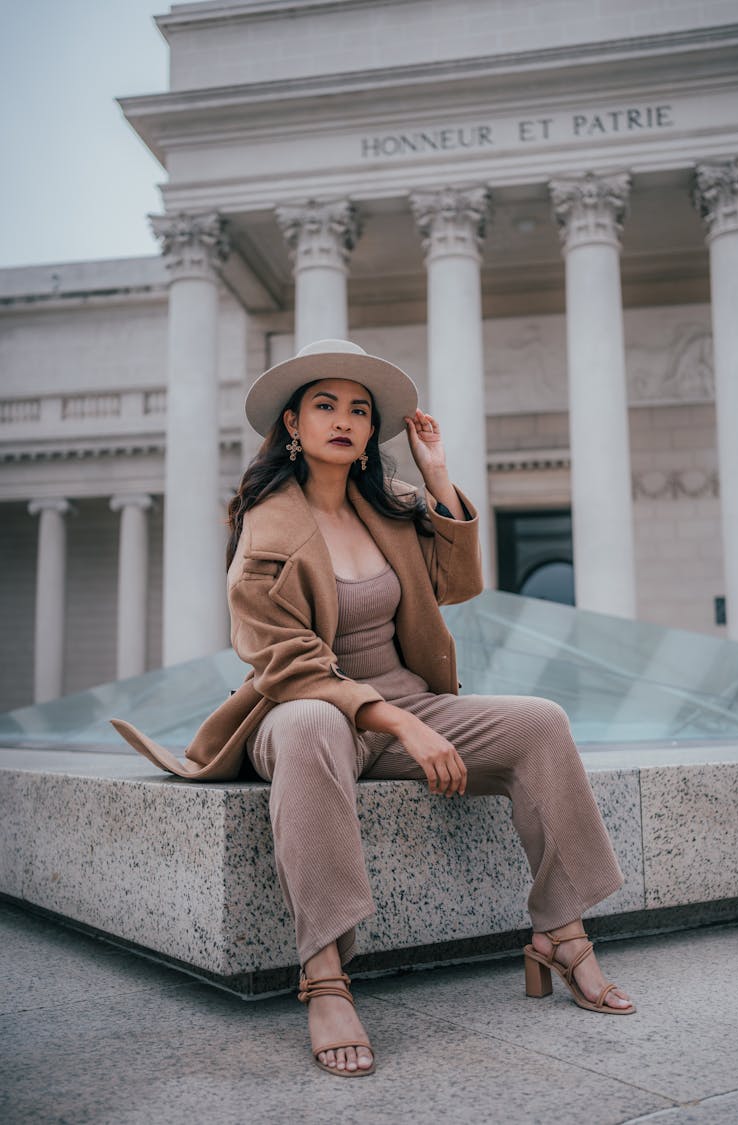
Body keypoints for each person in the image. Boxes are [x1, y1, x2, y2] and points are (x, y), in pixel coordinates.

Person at [113, 338, 634, 1080]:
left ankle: (562, 931)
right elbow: (284, 661)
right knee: (315, 721)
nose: (344, 419)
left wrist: (438, 477)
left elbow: (455, 585)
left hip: (408, 699)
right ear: (292, 423)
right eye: (325, 404)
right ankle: (324, 973)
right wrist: (396, 721)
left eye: (359, 410)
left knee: (543, 721)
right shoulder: (266, 524)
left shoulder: (387, 509)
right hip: (302, 710)